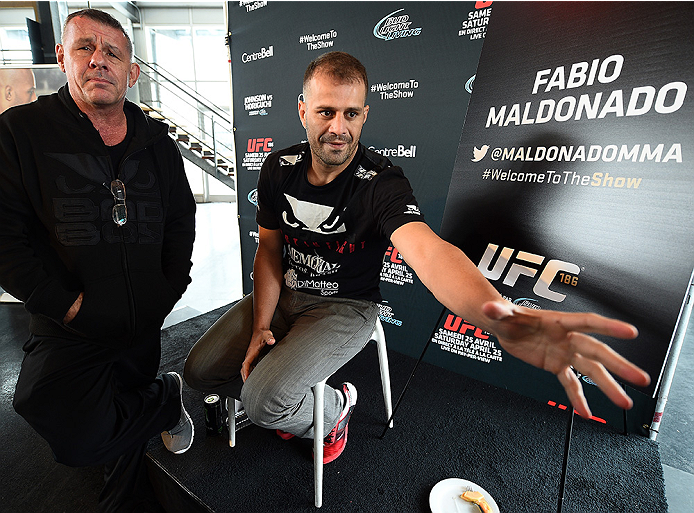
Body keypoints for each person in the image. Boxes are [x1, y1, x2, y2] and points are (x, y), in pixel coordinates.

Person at [184, 51, 650, 465]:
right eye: (325, 111)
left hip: (345, 309)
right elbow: (269, 249)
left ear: (365, 115)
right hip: (285, 294)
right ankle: (285, 395)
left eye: (351, 113)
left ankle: (334, 410)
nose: (338, 128)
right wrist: (262, 324)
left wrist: (505, 319)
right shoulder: (277, 168)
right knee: (198, 371)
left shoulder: (381, 180)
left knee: (266, 404)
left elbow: (428, 251)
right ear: (303, 111)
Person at [0, 9, 196, 513]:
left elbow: (180, 219)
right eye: (85, 47)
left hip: (142, 318)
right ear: (63, 56)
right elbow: (4, 238)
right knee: (68, 431)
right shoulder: (20, 133)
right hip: (71, 322)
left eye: (113, 52)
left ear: (132, 72)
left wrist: (168, 288)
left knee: (117, 426)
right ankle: (166, 400)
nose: (98, 60)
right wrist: (66, 307)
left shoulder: (157, 143)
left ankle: (126, 484)